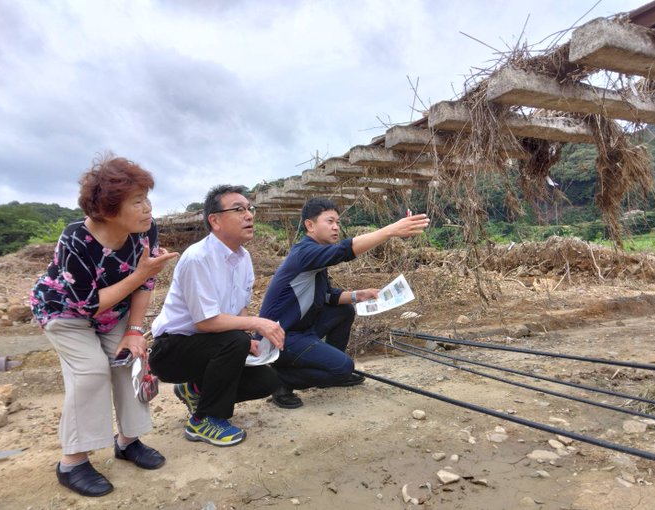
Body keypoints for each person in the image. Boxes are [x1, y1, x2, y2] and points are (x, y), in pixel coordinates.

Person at [30, 154, 179, 497]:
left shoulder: (145, 230)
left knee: (129, 362)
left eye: (147, 198)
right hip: (64, 312)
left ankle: (128, 441)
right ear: (109, 209)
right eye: (138, 201)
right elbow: (86, 303)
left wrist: (134, 331)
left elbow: (147, 284)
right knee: (90, 371)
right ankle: (72, 462)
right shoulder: (75, 239)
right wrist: (142, 273)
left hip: (114, 312)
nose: (148, 208)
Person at [259, 197, 429, 409]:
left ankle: (329, 370)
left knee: (344, 310)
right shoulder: (304, 252)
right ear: (310, 225)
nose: (335, 227)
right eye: (329, 221)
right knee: (343, 367)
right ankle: (281, 380)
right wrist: (390, 231)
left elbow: (328, 295)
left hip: (301, 329)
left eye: (337, 222)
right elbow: (343, 251)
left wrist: (360, 294)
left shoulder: (314, 255)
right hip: (281, 336)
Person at [149, 185, 285, 447]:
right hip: (172, 351)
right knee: (235, 341)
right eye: (238, 209)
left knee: (267, 380)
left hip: (211, 347)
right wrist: (255, 325)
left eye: (249, 208)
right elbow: (206, 322)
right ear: (215, 220)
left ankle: (194, 390)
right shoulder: (197, 258)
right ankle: (203, 421)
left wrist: (249, 338)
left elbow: (239, 309)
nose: (249, 215)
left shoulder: (243, 258)